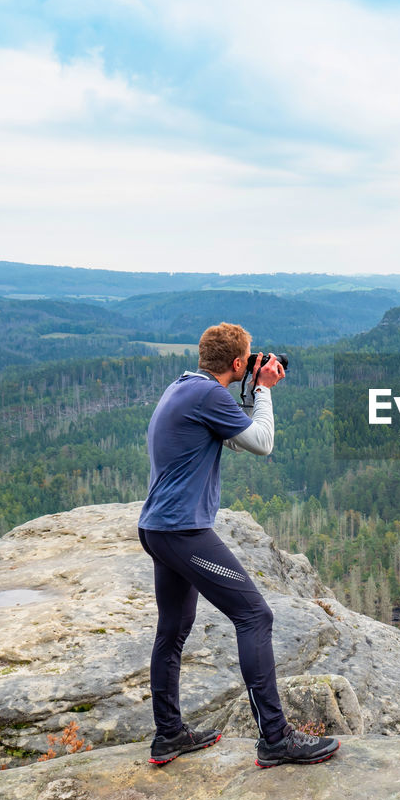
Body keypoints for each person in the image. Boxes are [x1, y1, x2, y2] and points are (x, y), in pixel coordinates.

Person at [137, 321, 340, 768]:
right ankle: (275, 738)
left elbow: (227, 438)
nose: (252, 365)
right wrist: (264, 389)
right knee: (254, 615)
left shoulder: (185, 387)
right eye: (246, 359)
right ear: (235, 363)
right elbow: (261, 443)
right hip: (183, 531)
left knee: (172, 630)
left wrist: (247, 386)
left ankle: (168, 734)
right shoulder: (210, 396)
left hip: (157, 528)